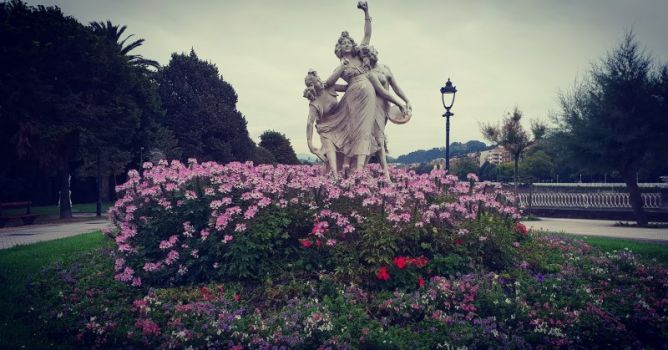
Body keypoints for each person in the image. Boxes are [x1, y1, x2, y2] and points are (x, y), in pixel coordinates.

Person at [358, 45, 412, 180]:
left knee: (375, 140)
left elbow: (396, 87)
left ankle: (359, 173)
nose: (371, 55)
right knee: (378, 140)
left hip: (385, 108)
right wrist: (399, 104)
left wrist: (407, 100)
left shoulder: (385, 68)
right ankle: (386, 177)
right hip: (374, 107)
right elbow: (383, 92)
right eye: (368, 55)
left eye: (372, 52)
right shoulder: (370, 73)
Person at [303, 69, 347, 178]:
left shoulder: (329, 87)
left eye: (319, 79)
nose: (321, 82)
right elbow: (309, 122)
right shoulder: (314, 103)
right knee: (330, 149)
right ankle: (335, 176)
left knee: (346, 147)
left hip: (339, 122)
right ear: (312, 86)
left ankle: (345, 170)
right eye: (318, 82)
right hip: (325, 127)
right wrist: (310, 143)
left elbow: (347, 88)